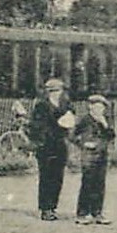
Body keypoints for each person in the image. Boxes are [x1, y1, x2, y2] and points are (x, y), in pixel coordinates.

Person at [29, 77, 75, 220]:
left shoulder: (66, 105)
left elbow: (71, 118)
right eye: (53, 91)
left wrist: (67, 123)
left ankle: (53, 207)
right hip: (46, 145)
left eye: (58, 90)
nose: (56, 93)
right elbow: (37, 126)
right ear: (48, 92)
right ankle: (45, 208)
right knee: (46, 176)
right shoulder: (42, 106)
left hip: (60, 144)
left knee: (58, 177)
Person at [71, 94, 115, 225]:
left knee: (100, 184)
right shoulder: (84, 120)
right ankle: (82, 213)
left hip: (102, 154)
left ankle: (97, 213)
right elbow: (72, 135)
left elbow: (112, 135)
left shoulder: (104, 120)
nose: (100, 110)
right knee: (87, 183)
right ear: (90, 107)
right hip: (89, 155)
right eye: (97, 106)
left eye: (102, 107)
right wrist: (83, 144)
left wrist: (105, 125)